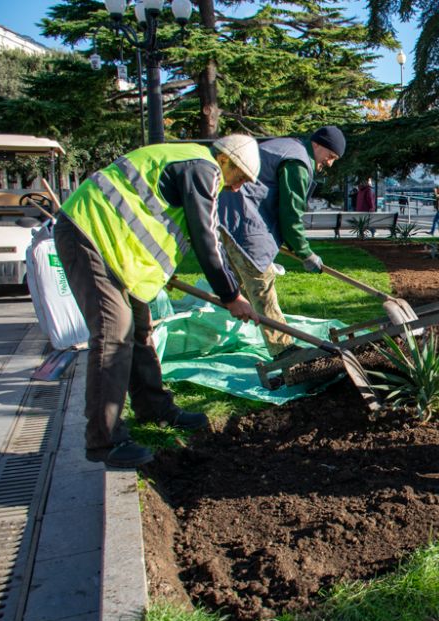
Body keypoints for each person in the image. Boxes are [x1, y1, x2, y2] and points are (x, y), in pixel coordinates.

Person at [53, 135, 260, 468]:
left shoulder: (191, 164)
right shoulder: (201, 168)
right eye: (241, 179)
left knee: (139, 330)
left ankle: (155, 408)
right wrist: (232, 296)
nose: (237, 188)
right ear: (227, 161)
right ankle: (105, 440)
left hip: (115, 251)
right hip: (89, 234)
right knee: (114, 336)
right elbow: (207, 242)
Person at [218, 126, 346, 357]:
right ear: (317, 144)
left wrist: (291, 243)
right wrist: (305, 252)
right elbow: (291, 213)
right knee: (261, 282)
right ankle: (284, 351)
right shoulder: (297, 162)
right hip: (242, 219)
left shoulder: (291, 148)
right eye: (331, 156)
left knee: (235, 285)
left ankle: (213, 328)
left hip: (231, 214)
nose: (330, 163)